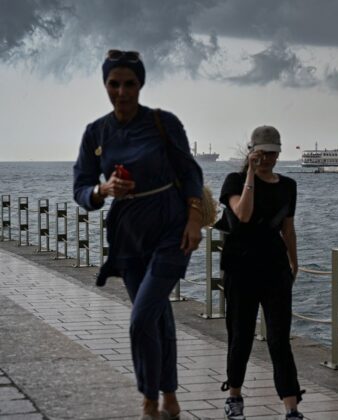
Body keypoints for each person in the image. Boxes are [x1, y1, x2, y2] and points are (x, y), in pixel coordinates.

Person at [73, 50, 204, 420]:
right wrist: (103, 190)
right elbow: (81, 187)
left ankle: (149, 399)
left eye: (129, 83)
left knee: (141, 317)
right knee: (157, 315)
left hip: (170, 226)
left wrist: (194, 219)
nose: (122, 91)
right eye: (114, 84)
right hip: (127, 233)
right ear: (105, 85)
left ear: (141, 84)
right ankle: (169, 393)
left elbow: (190, 172)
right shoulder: (95, 132)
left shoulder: (164, 123)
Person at [215, 126, 303, 420]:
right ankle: (235, 397)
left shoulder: (288, 185)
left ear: (280, 151)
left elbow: (288, 227)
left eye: (273, 152)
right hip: (240, 269)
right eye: (262, 152)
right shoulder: (234, 181)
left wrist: (294, 261)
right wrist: (251, 175)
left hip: (275, 268)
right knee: (240, 335)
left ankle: (291, 408)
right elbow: (243, 214)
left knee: (280, 339)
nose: (267, 158)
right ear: (251, 151)